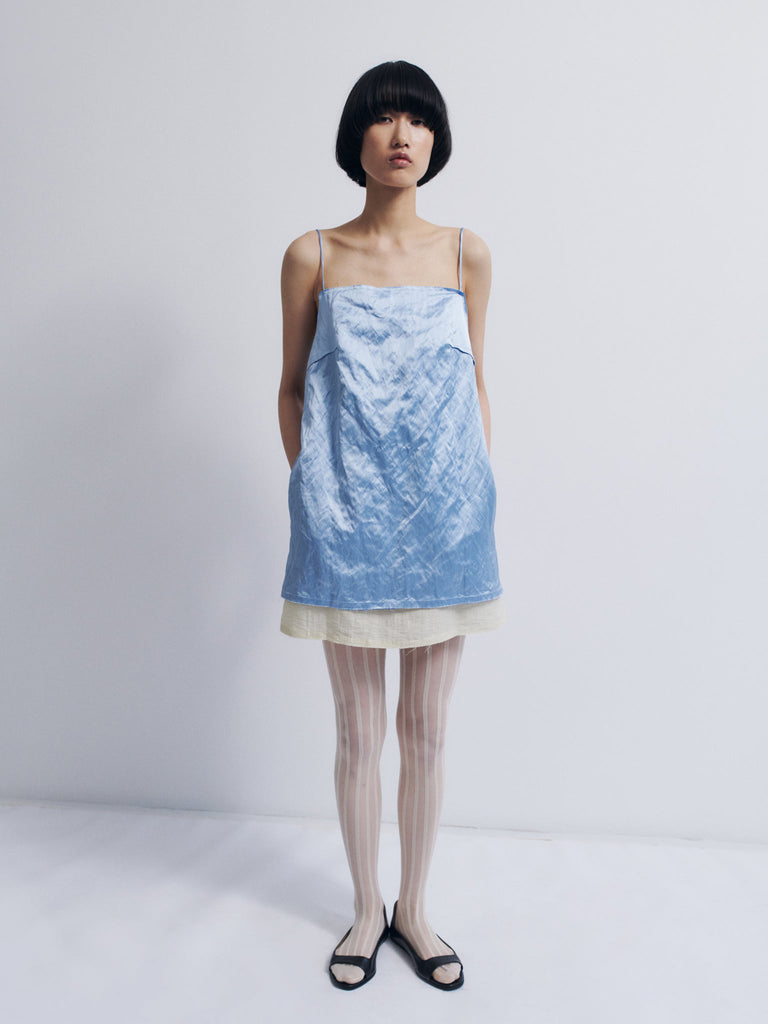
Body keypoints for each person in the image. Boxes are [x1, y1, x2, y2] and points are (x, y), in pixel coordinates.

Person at [277, 60, 505, 991]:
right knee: (357, 731)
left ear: (436, 139)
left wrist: (477, 487)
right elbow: (292, 389)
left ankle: (417, 908)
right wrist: (315, 490)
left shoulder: (466, 253)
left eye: (418, 119)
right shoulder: (313, 255)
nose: (401, 134)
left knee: (427, 730)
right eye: (382, 118)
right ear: (356, 139)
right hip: (344, 524)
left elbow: (475, 380)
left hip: (450, 523)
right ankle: (366, 908)